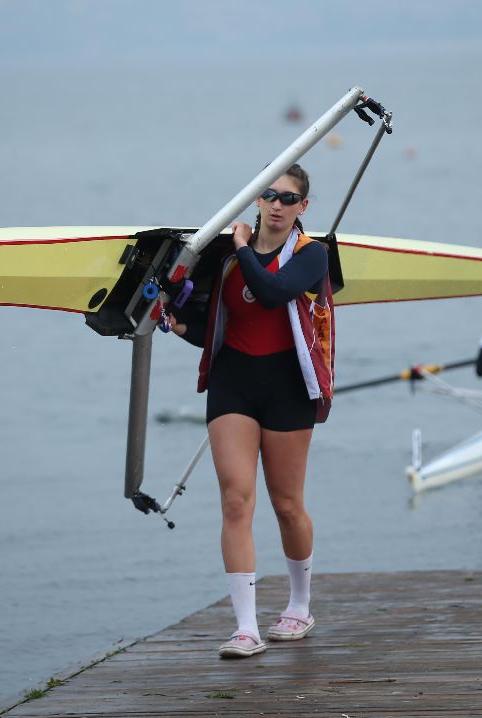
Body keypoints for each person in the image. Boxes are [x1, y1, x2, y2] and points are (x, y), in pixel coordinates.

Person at [167, 164, 334, 658]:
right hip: (233, 384)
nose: (277, 204)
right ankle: (246, 628)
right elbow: (216, 326)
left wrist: (242, 244)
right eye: (269, 195)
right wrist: (176, 325)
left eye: (289, 198)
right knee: (236, 502)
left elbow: (274, 293)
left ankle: (300, 605)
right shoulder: (225, 261)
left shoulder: (311, 254)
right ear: (256, 201)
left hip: (288, 388)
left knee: (287, 505)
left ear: (303, 207)